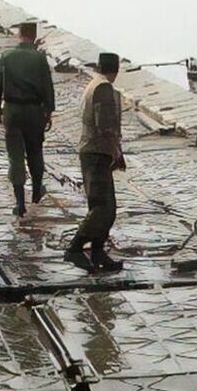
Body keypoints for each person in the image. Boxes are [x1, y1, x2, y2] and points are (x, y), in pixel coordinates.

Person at [0, 20, 56, 217]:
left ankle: (20, 203)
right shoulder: (40, 59)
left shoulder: (7, 57)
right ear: (34, 36)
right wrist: (48, 111)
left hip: (12, 110)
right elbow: (48, 88)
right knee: (35, 151)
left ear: (19, 35)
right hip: (35, 111)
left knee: (15, 156)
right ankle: (36, 192)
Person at [69, 53, 127, 272]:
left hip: (93, 152)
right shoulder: (103, 88)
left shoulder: (94, 83)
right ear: (116, 69)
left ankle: (97, 251)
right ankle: (75, 248)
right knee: (104, 208)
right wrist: (116, 154)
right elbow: (105, 127)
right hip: (96, 152)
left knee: (103, 206)